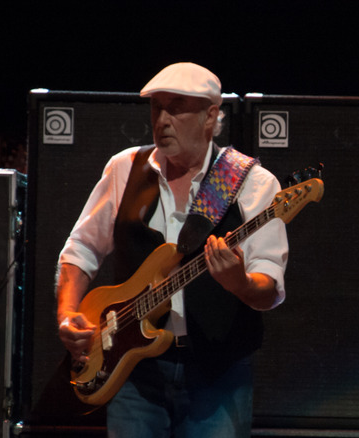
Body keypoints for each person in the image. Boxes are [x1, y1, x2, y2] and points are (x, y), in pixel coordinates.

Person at [55, 62, 288, 437]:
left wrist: (239, 283)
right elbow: (80, 249)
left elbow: (269, 289)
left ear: (210, 116)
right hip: (133, 371)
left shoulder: (253, 183)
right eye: (156, 107)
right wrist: (67, 312)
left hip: (218, 373)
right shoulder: (125, 168)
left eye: (175, 107)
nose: (162, 119)